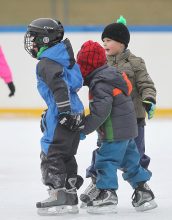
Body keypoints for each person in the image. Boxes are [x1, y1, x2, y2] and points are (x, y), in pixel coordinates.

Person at [80, 16, 157, 208]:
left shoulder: (135, 62)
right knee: (118, 154)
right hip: (114, 123)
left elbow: (146, 84)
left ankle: (108, 191)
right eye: (103, 41)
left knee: (119, 155)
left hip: (133, 117)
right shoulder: (102, 65)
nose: (105, 43)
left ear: (122, 43)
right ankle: (137, 188)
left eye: (109, 40)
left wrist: (149, 100)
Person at [24, 18, 84, 215]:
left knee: (52, 152)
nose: (30, 42)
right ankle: (70, 193)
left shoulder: (46, 63)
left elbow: (59, 86)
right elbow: (68, 85)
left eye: (34, 38)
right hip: (73, 109)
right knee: (66, 153)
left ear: (46, 40)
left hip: (62, 112)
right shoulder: (64, 60)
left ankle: (58, 193)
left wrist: (63, 111)